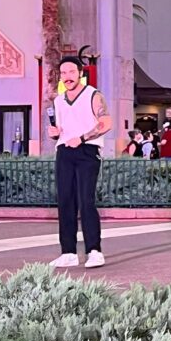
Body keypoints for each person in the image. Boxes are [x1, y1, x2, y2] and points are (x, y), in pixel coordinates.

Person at [48, 55, 112, 269]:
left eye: (71, 72)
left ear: (80, 73)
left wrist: (83, 138)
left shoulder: (93, 95)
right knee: (65, 201)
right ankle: (68, 252)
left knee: (86, 201)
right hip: (64, 151)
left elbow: (106, 123)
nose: (67, 76)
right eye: (63, 73)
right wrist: (54, 133)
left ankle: (94, 251)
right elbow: (62, 130)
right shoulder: (58, 100)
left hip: (87, 151)